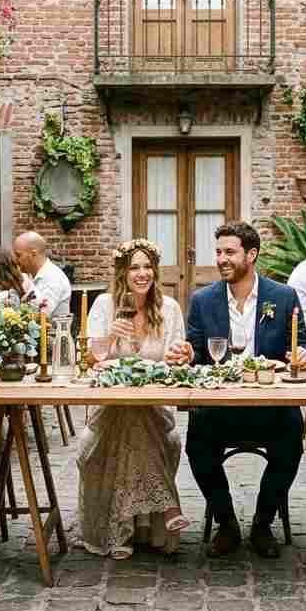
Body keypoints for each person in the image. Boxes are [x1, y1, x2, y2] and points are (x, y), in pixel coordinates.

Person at [167, 221, 306, 558]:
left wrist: (304, 354)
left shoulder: (283, 295)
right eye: (218, 252)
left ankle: (263, 522)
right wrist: (187, 353)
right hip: (220, 408)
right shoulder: (204, 300)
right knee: (198, 445)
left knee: (292, 438)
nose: (221, 259)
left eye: (229, 252)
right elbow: (197, 351)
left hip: (271, 407)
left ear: (251, 254)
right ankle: (226, 522)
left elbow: (303, 344)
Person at [78, 239, 188, 559]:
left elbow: (175, 359)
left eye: (147, 267)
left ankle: (121, 532)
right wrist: (111, 335)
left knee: (136, 416)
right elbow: (90, 359)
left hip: (154, 407)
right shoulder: (103, 305)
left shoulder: (169, 308)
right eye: (134, 268)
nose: (142, 273)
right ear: (122, 273)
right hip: (110, 406)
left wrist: (182, 355)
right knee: (127, 416)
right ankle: (167, 507)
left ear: (154, 271)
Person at [14, 231, 71, 318]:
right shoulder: (30, 275)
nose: (15, 260)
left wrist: (26, 284)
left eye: (18, 255)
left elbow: (43, 314)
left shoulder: (54, 277)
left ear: (33, 254)